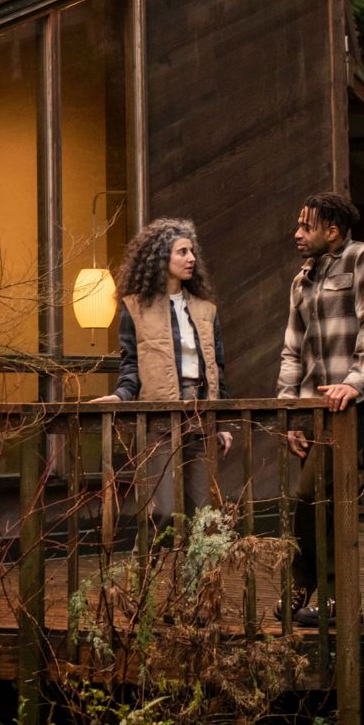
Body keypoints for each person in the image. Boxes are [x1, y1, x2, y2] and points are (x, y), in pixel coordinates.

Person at [276, 192, 364, 626]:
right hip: (311, 407)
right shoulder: (302, 278)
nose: (298, 234)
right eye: (298, 226)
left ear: (332, 231)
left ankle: (332, 597)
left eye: (307, 227)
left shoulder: (363, 259)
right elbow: (291, 350)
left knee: (317, 496)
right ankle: (313, 594)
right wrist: (288, 412)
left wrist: (353, 384)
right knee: (314, 499)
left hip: (348, 405)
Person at [91, 218, 232, 520]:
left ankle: (197, 569)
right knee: (164, 512)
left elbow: (218, 369)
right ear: (160, 257)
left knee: (205, 514)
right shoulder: (135, 308)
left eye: (192, 251)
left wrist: (221, 422)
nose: (191, 258)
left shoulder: (206, 310)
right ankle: (160, 567)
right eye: (182, 252)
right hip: (159, 423)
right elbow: (131, 366)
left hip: (200, 418)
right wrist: (120, 397)